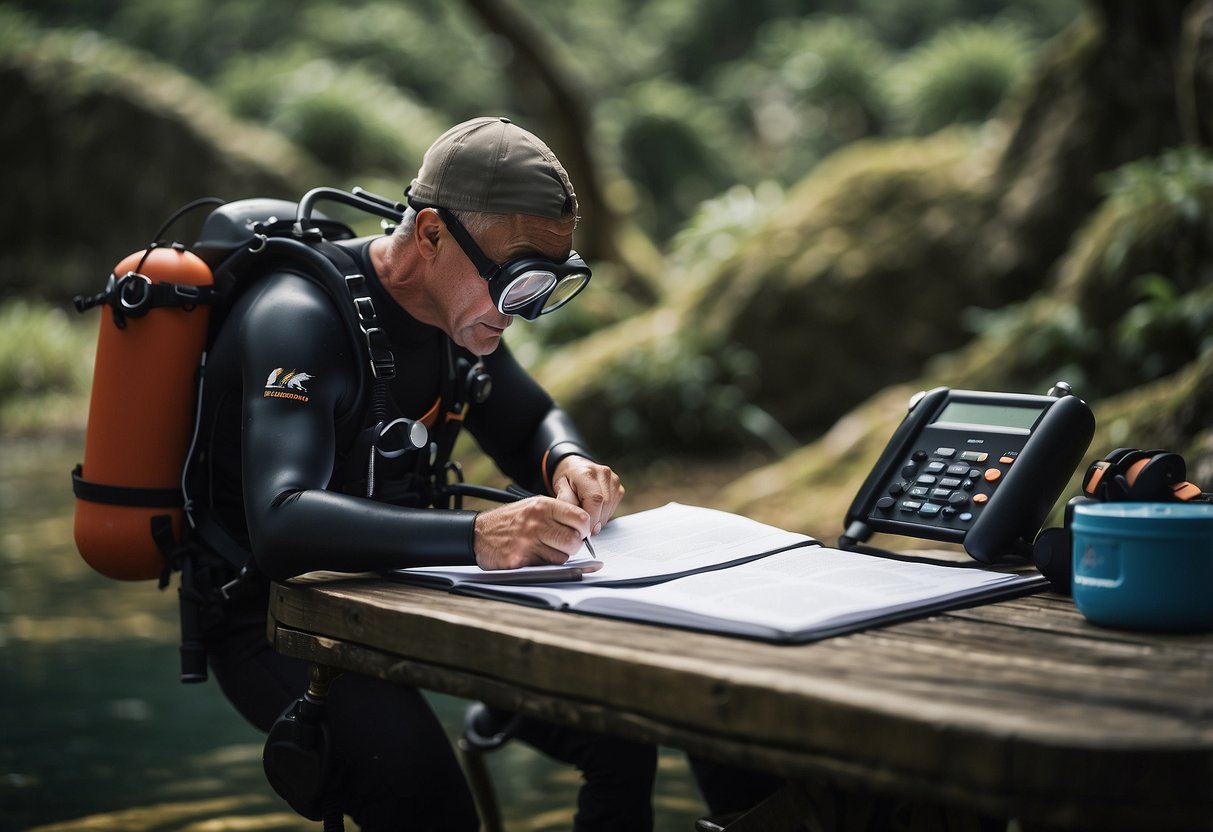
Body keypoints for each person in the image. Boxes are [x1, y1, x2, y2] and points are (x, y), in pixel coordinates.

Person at [194, 117, 657, 830]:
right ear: (434, 234)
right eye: (518, 278)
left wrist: (566, 461)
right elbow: (281, 524)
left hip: (415, 597)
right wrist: (479, 535)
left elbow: (530, 418)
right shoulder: (299, 317)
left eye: (548, 283)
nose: (524, 309)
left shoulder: (459, 312)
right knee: (430, 808)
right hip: (276, 620)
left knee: (624, 737)